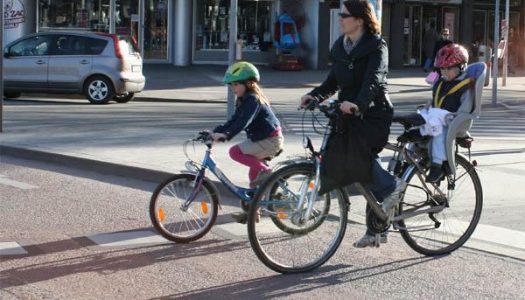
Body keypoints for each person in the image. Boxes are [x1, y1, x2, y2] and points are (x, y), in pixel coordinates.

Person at [300, 0, 406, 248]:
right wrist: (314, 96)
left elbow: (374, 81)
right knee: (340, 156)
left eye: (344, 15)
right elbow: (332, 82)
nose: (340, 18)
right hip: (348, 113)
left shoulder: (377, 45)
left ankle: (392, 186)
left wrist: (357, 103)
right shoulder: (341, 46)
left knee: (355, 155)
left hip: (373, 113)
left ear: (359, 19)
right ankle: (377, 226)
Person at [212, 61, 284, 223]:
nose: (233, 88)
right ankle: (253, 213)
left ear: (248, 83)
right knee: (253, 180)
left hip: (270, 140)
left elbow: (244, 121)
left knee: (235, 152)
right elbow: (234, 119)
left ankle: (268, 173)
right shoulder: (244, 99)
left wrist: (227, 135)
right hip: (263, 139)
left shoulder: (253, 99)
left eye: (236, 84)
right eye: (231, 85)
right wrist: (216, 131)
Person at [422, 44, 474, 182]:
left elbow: (466, 108)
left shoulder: (466, 86)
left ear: (462, 66)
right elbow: (429, 81)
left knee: (438, 131)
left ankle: (437, 166)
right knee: (419, 126)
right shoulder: (441, 81)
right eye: (442, 69)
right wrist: (436, 71)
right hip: (439, 115)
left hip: (455, 119)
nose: (444, 72)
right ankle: (417, 153)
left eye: (448, 68)